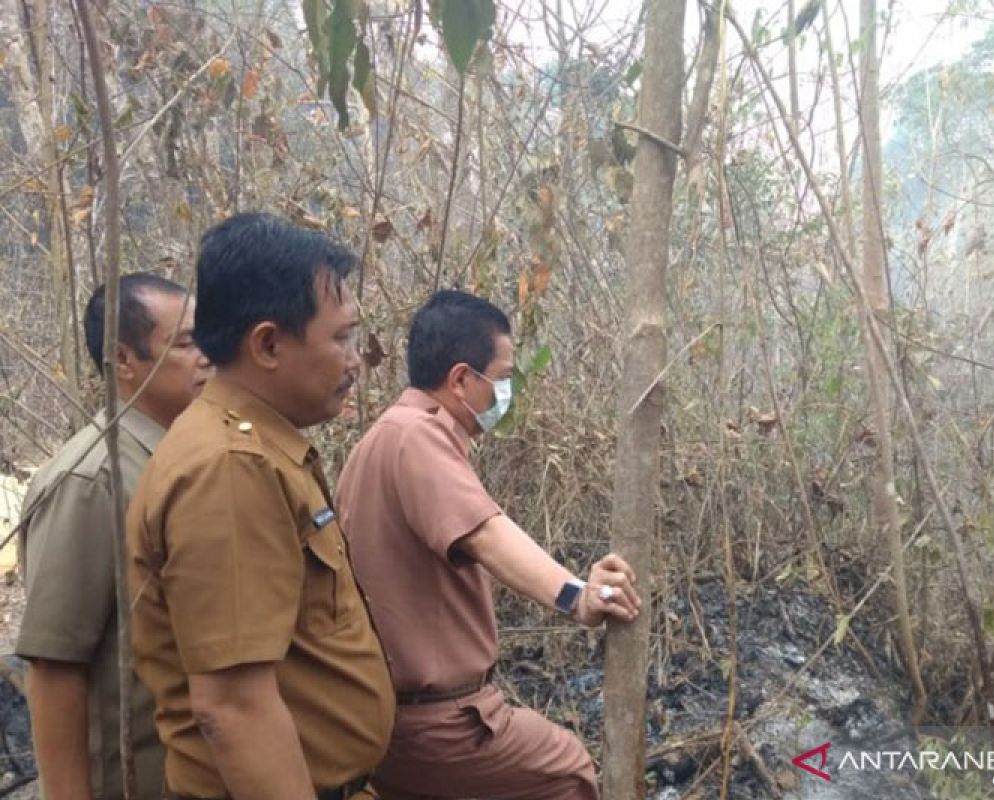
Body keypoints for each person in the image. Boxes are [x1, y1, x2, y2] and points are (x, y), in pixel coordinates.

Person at [125, 213, 394, 800]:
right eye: (341, 338)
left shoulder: (259, 446)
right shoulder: (230, 468)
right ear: (268, 343)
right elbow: (233, 708)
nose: (355, 361)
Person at [335, 289, 641, 800]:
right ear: (460, 380)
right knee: (566, 771)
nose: (506, 394)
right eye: (501, 380)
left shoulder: (383, 439)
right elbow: (486, 534)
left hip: (390, 715)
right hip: (437, 723)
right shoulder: (415, 436)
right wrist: (579, 596)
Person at [17, 273, 211, 799]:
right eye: (188, 344)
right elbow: (54, 663)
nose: (207, 358)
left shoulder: (180, 462)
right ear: (124, 360)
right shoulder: (93, 479)